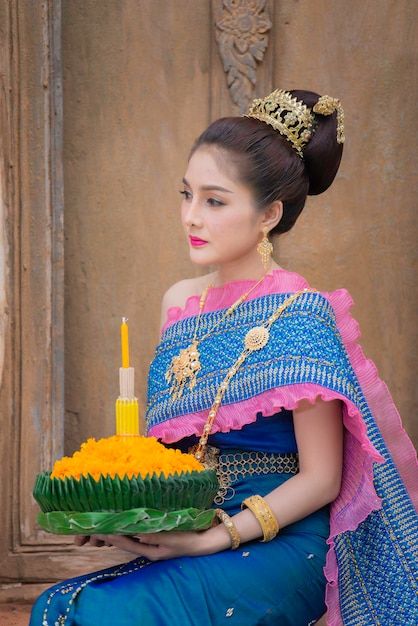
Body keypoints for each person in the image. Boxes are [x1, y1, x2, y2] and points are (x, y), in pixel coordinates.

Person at [30, 89, 418, 626]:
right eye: (186, 195)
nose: (191, 217)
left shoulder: (299, 314)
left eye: (214, 201)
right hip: (195, 527)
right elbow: (174, 453)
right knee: (57, 607)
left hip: (281, 542)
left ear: (269, 214)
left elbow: (323, 480)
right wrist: (128, 516)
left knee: (106, 614)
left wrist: (215, 538)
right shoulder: (178, 303)